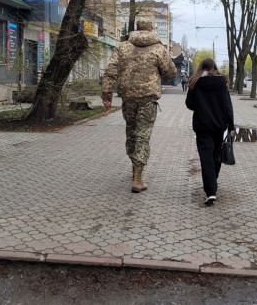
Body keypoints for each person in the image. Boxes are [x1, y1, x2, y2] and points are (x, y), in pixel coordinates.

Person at [101, 19, 177, 193]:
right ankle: (138, 178)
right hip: (148, 100)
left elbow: (111, 71)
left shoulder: (123, 47)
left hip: (128, 99)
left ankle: (134, 168)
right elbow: (171, 73)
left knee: (132, 134)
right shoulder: (158, 48)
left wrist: (106, 95)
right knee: (143, 136)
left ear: (137, 29)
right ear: (150, 29)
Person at [185, 58, 235, 205]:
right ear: (214, 67)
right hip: (219, 125)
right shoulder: (222, 82)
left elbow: (189, 104)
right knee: (216, 156)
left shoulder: (195, 82)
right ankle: (212, 183)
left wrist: (201, 106)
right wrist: (231, 125)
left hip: (202, 126)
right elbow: (227, 105)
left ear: (201, 67)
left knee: (206, 158)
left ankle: (211, 191)